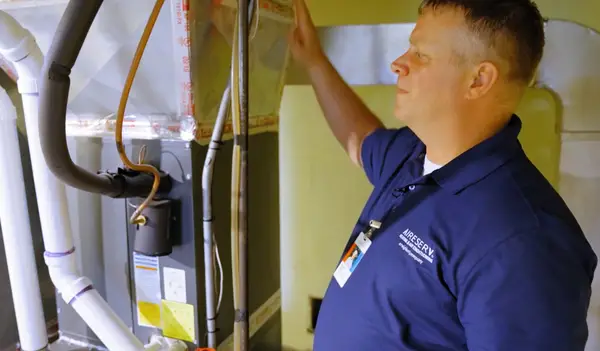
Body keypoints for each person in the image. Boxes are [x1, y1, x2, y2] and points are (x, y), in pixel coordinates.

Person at [288, 0, 598, 350]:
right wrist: (314, 60)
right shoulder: (412, 154)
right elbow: (360, 139)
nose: (398, 64)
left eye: (420, 55)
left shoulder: (523, 241)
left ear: (478, 80)